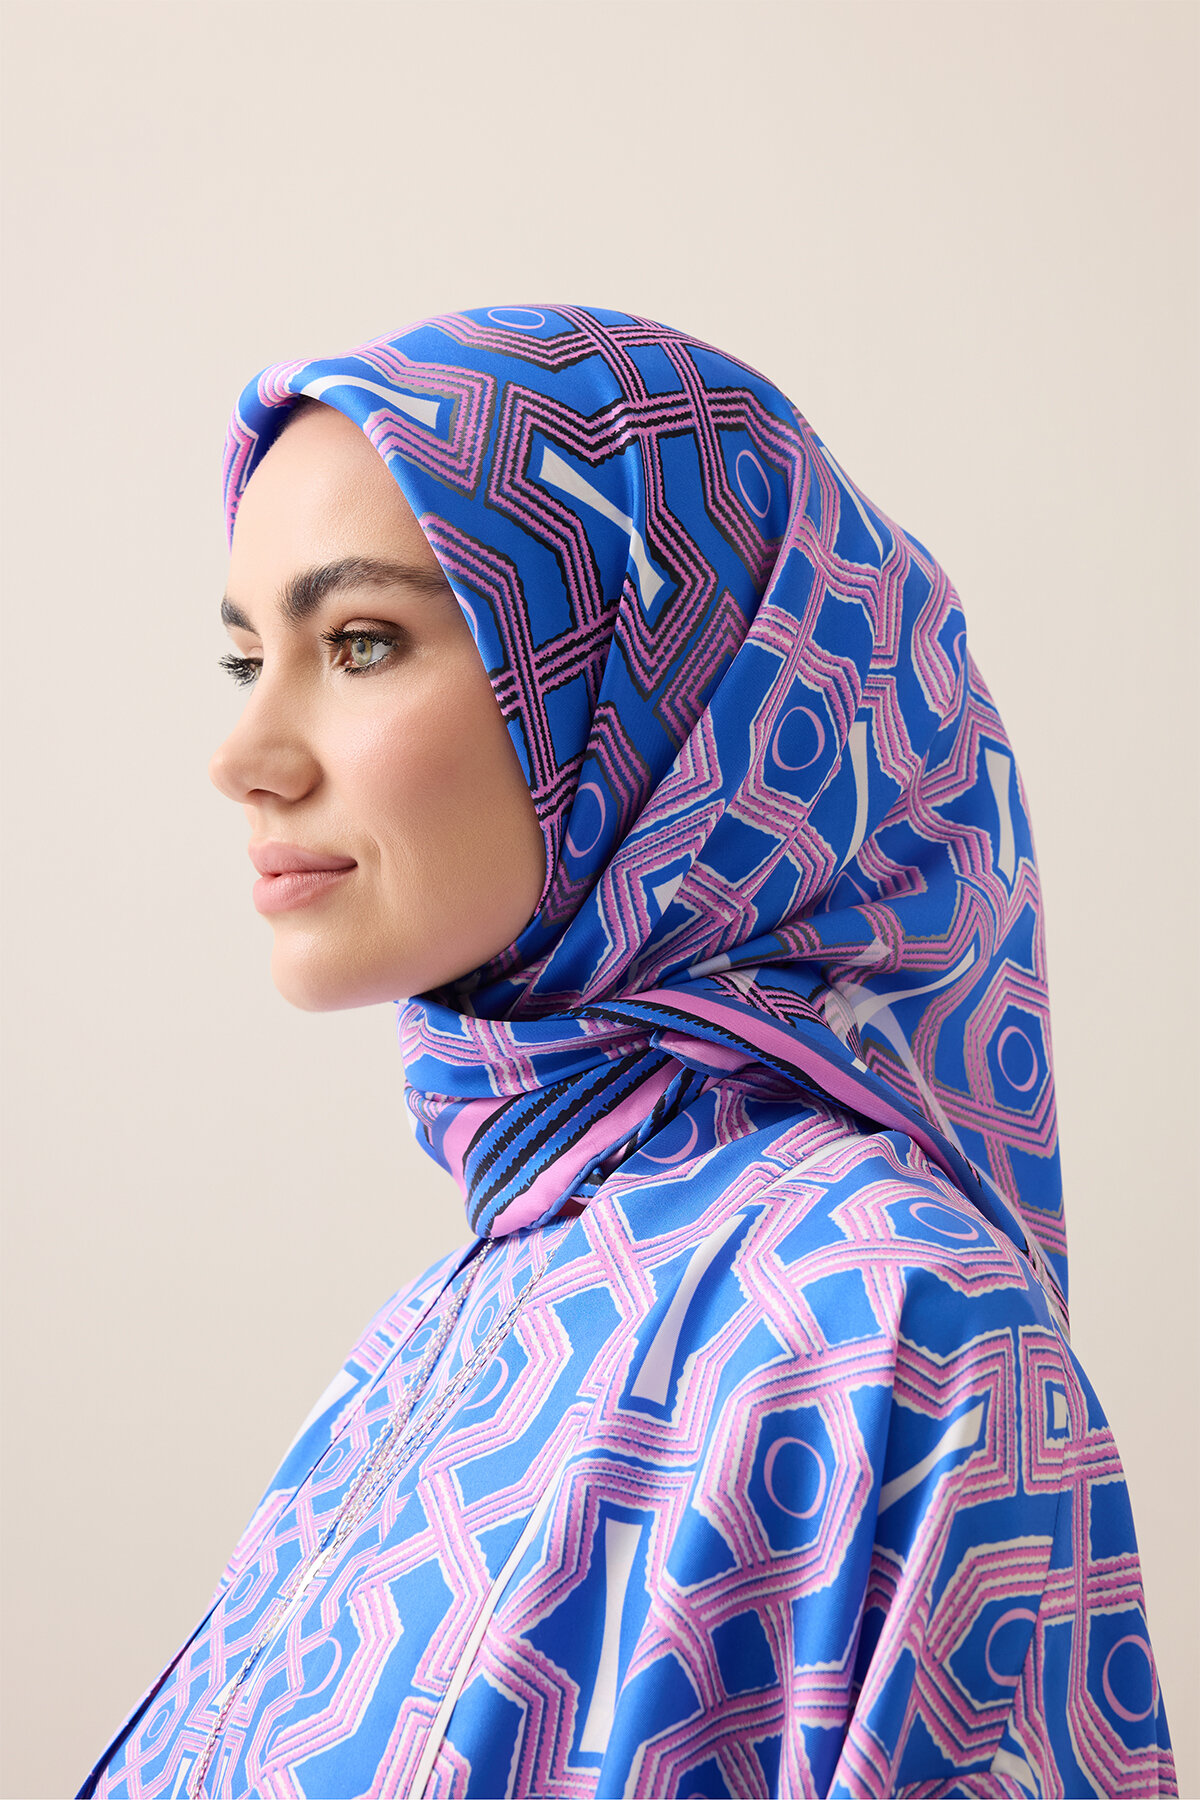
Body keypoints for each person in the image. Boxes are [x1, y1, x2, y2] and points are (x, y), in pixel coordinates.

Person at [80, 304, 1176, 1799]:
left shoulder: (887, 1318)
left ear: (665, 690)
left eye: (360, 643)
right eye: (244, 660)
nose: (245, 756)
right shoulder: (454, 1320)